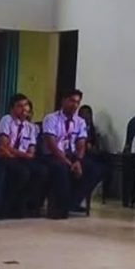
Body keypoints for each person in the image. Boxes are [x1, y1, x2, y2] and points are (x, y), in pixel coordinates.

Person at [42, 90, 102, 219]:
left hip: (73, 155)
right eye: (71, 101)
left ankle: (70, 204)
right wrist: (67, 162)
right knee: (61, 169)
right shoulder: (51, 118)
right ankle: (60, 207)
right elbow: (51, 145)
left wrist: (78, 161)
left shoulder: (80, 122)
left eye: (77, 102)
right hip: (54, 155)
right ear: (63, 101)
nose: (74, 105)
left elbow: (81, 144)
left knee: (95, 170)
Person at [0, 93, 47, 217]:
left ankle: (27, 204)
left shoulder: (31, 127)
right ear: (12, 109)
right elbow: (5, 145)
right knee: (21, 172)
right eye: (20, 106)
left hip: (21, 157)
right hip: (6, 156)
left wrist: (26, 155)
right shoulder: (6, 120)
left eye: (26, 105)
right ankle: (7, 207)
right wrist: (24, 155)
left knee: (41, 171)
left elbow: (32, 149)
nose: (24, 109)